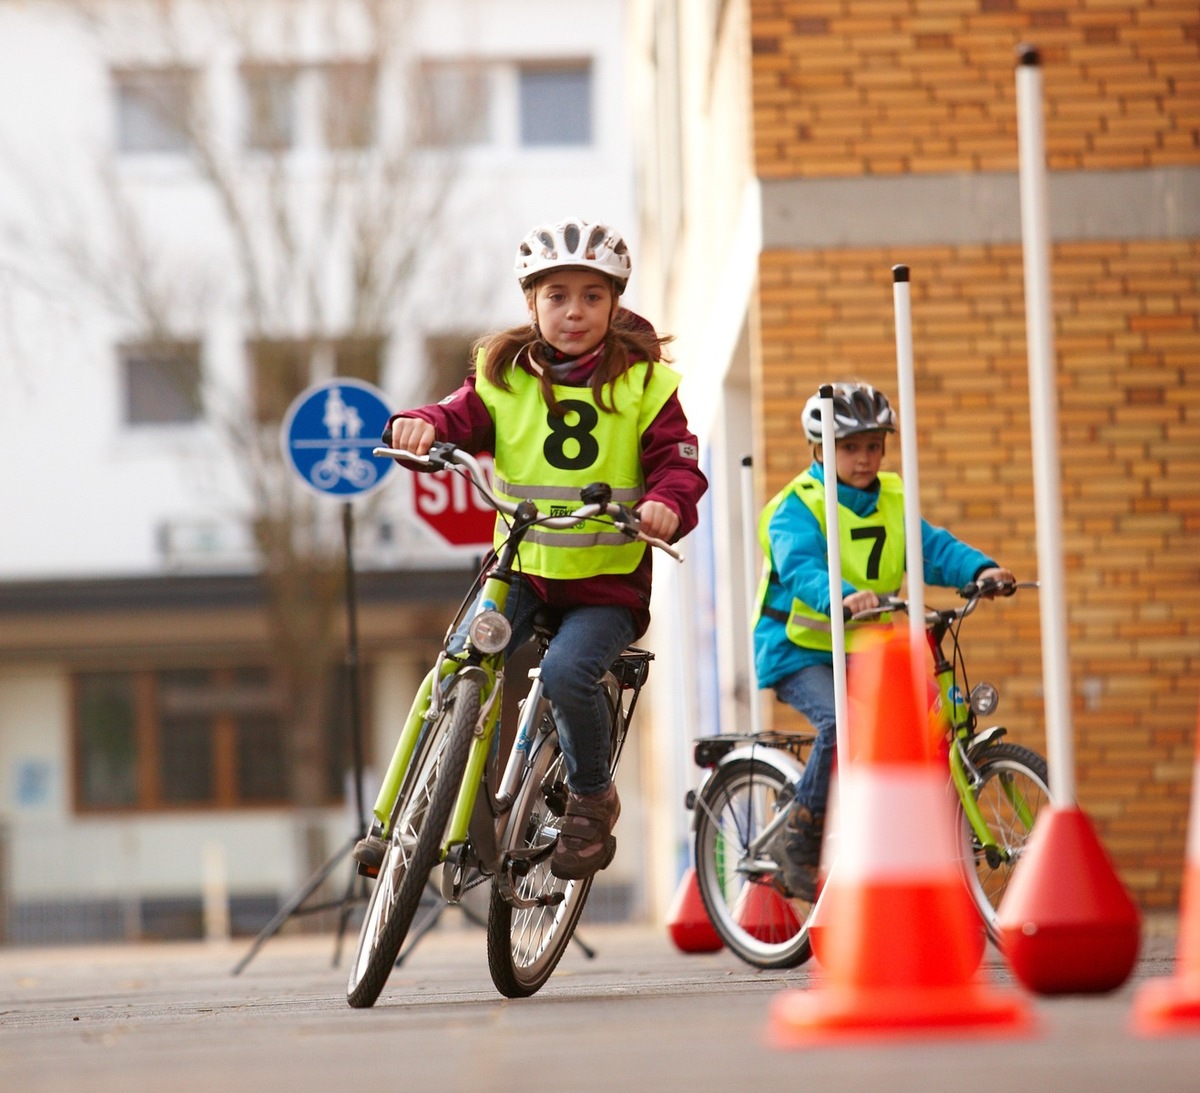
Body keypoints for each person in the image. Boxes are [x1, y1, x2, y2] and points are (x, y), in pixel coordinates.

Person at [356, 217, 707, 881]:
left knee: (570, 674)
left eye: (592, 296)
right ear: (531, 304)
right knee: (460, 659)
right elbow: (457, 414)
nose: (574, 310)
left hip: (605, 583)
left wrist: (666, 501)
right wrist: (422, 425)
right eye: (557, 296)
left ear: (614, 302)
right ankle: (405, 812)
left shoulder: (646, 385)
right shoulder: (504, 374)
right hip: (521, 570)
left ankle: (591, 795)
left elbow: (678, 464)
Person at [753, 381, 1014, 900]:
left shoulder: (891, 499)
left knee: (921, 724)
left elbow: (932, 548)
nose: (865, 458)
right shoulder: (796, 507)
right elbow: (802, 567)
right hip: (797, 650)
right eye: (850, 447)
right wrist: (844, 596)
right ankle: (799, 841)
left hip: (861, 650)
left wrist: (982, 569)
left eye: (874, 445)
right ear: (820, 450)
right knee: (842, 725)